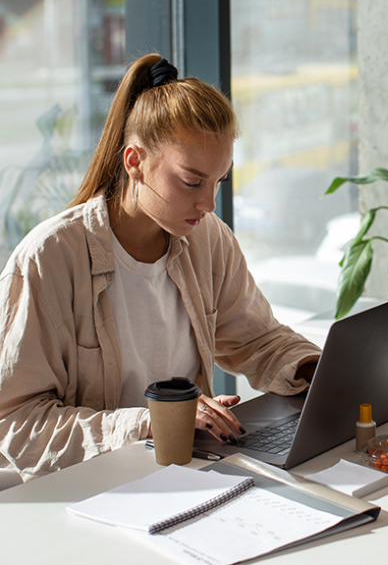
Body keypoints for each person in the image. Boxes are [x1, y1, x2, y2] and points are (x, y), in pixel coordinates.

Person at [0, 54, 322, 481]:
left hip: (192, 476)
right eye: (192, 182)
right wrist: (153, 422)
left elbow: (257, 339)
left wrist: (318, 368)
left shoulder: (208, 238)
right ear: (134, 162)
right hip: (97, 491)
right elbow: (15, 424)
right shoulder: (49, 258)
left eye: (218, 182)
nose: (208, 204)